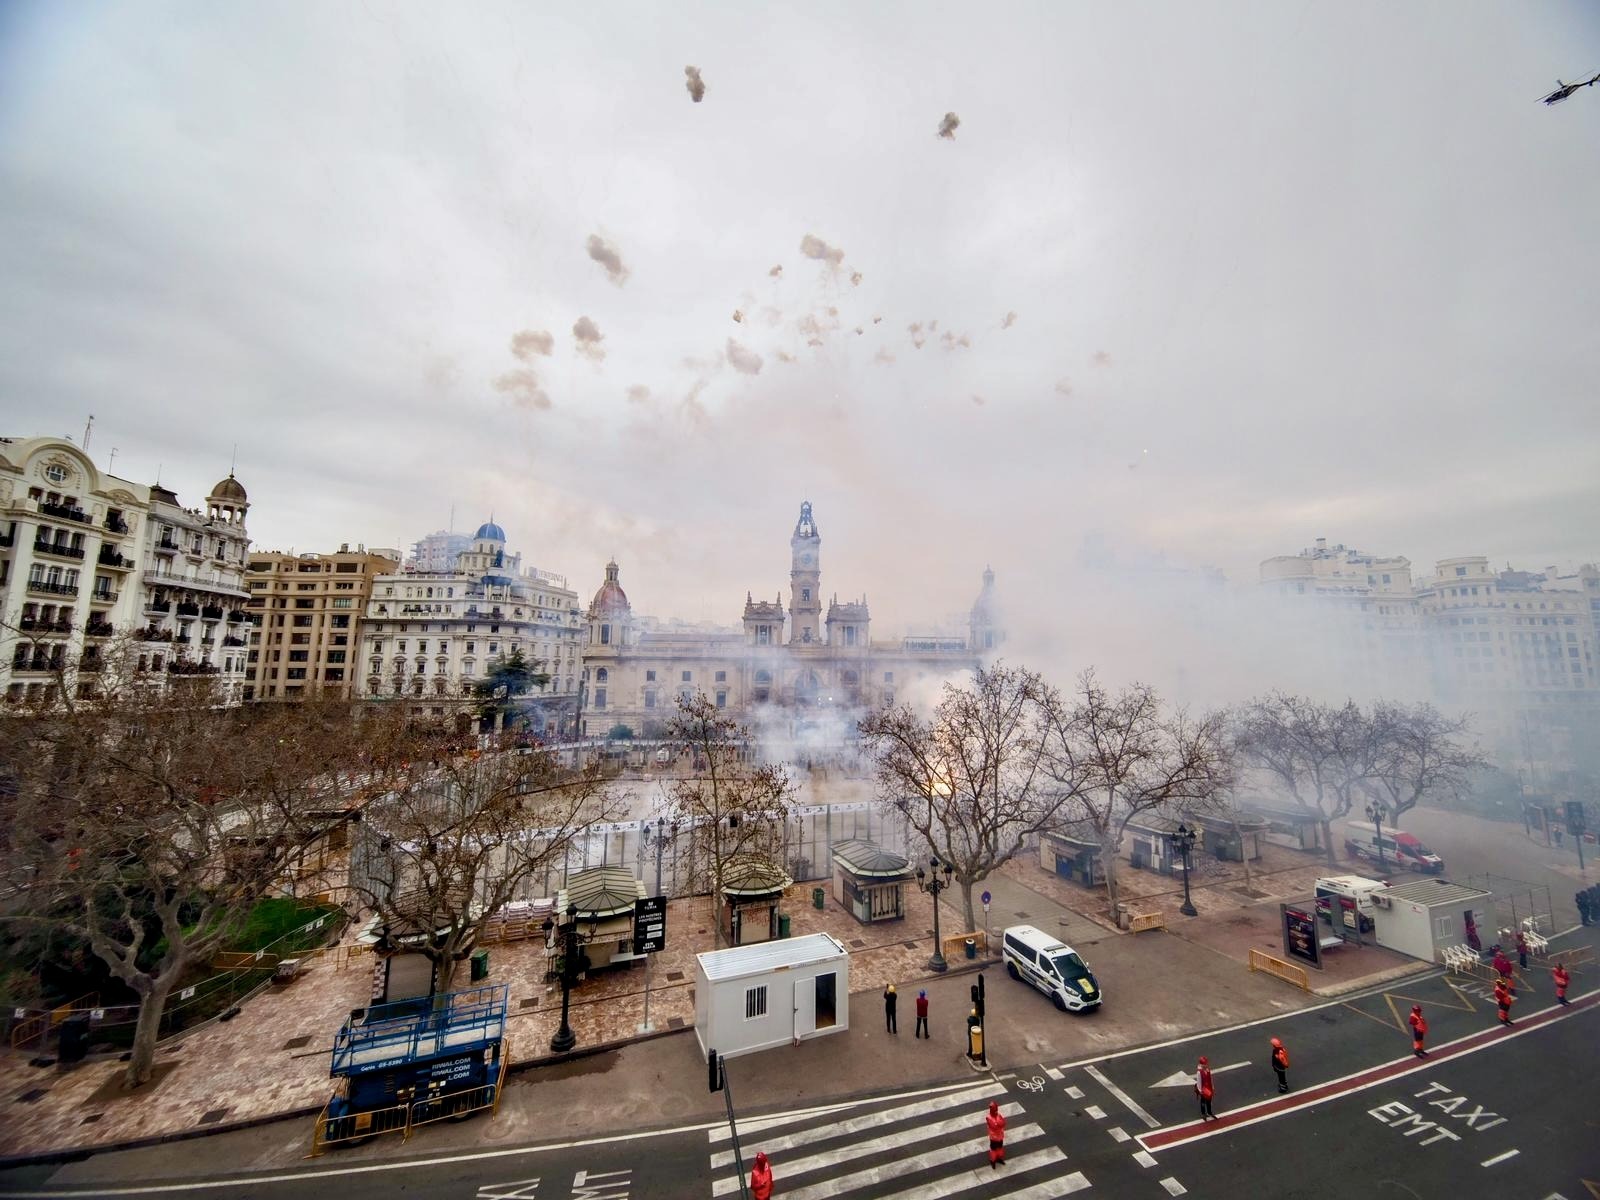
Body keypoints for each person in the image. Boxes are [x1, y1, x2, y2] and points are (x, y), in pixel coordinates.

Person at [986, 1100, 1007, 1168]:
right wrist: (998, 1124)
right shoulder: (988, 1117)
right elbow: (993, 1127)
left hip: (1000, 1136)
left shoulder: (998, 1115)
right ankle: (993, 1161)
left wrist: (998, 1124)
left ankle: (999, 1158)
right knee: (993, 1149)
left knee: (1000, 1147)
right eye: (994, 1110)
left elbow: (1003, 1123)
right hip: (994, 1138)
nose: (996, 1112)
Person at [1195, 1056, 1216, 1121]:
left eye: (1206, 1064)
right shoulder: (1199, 1072)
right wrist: (1200, 1090)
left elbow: (1210, 1078)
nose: (1206, 1065)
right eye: (1204, 1064)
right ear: (1201, 1064)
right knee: (1203, 1101)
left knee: (1209, 1101)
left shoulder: (1208, 1070)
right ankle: (1203, 1113)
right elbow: (1199, 1082)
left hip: (1209, 1088)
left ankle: (1209, 1112)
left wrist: (1212, 1086)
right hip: (1203, 1089)